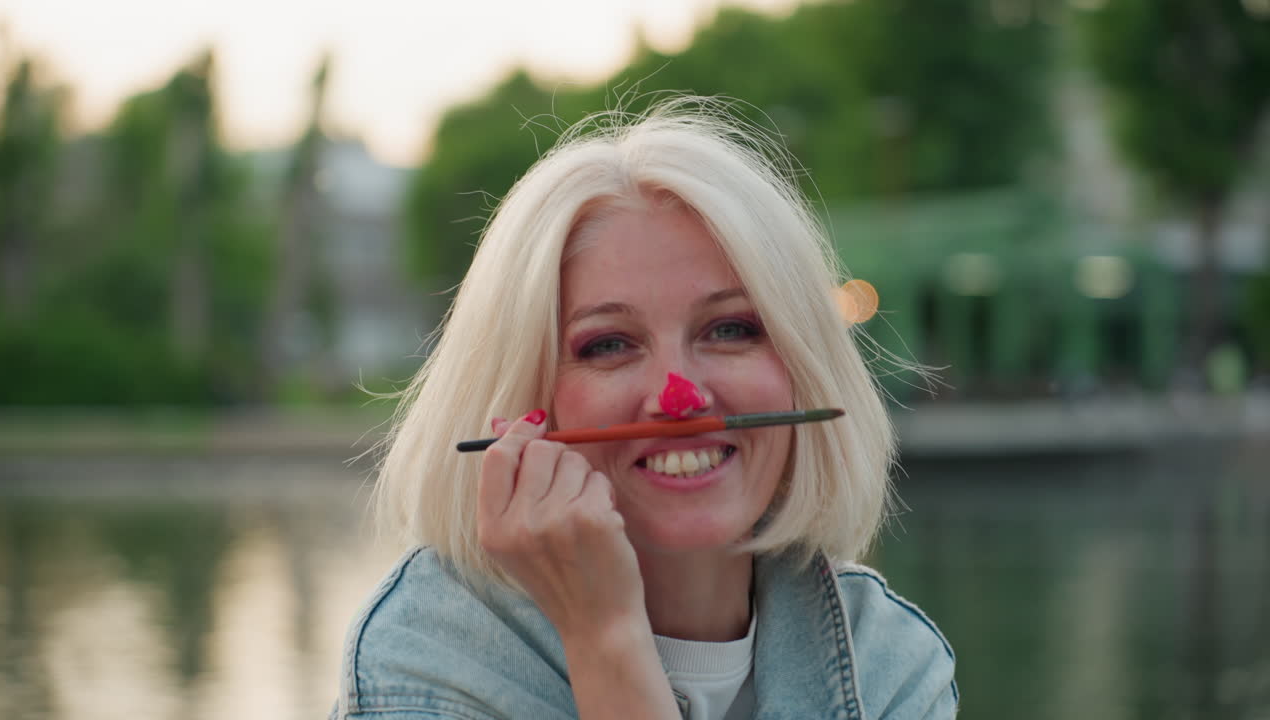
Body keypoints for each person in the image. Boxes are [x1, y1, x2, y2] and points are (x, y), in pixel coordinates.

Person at [331, 98, 957, 720]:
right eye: (608, 345)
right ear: (524, 405)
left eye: (730, 330)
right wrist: (606, 639)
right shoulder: (424, 662)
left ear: (804, 367)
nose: (680, 397)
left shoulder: (893, 665)